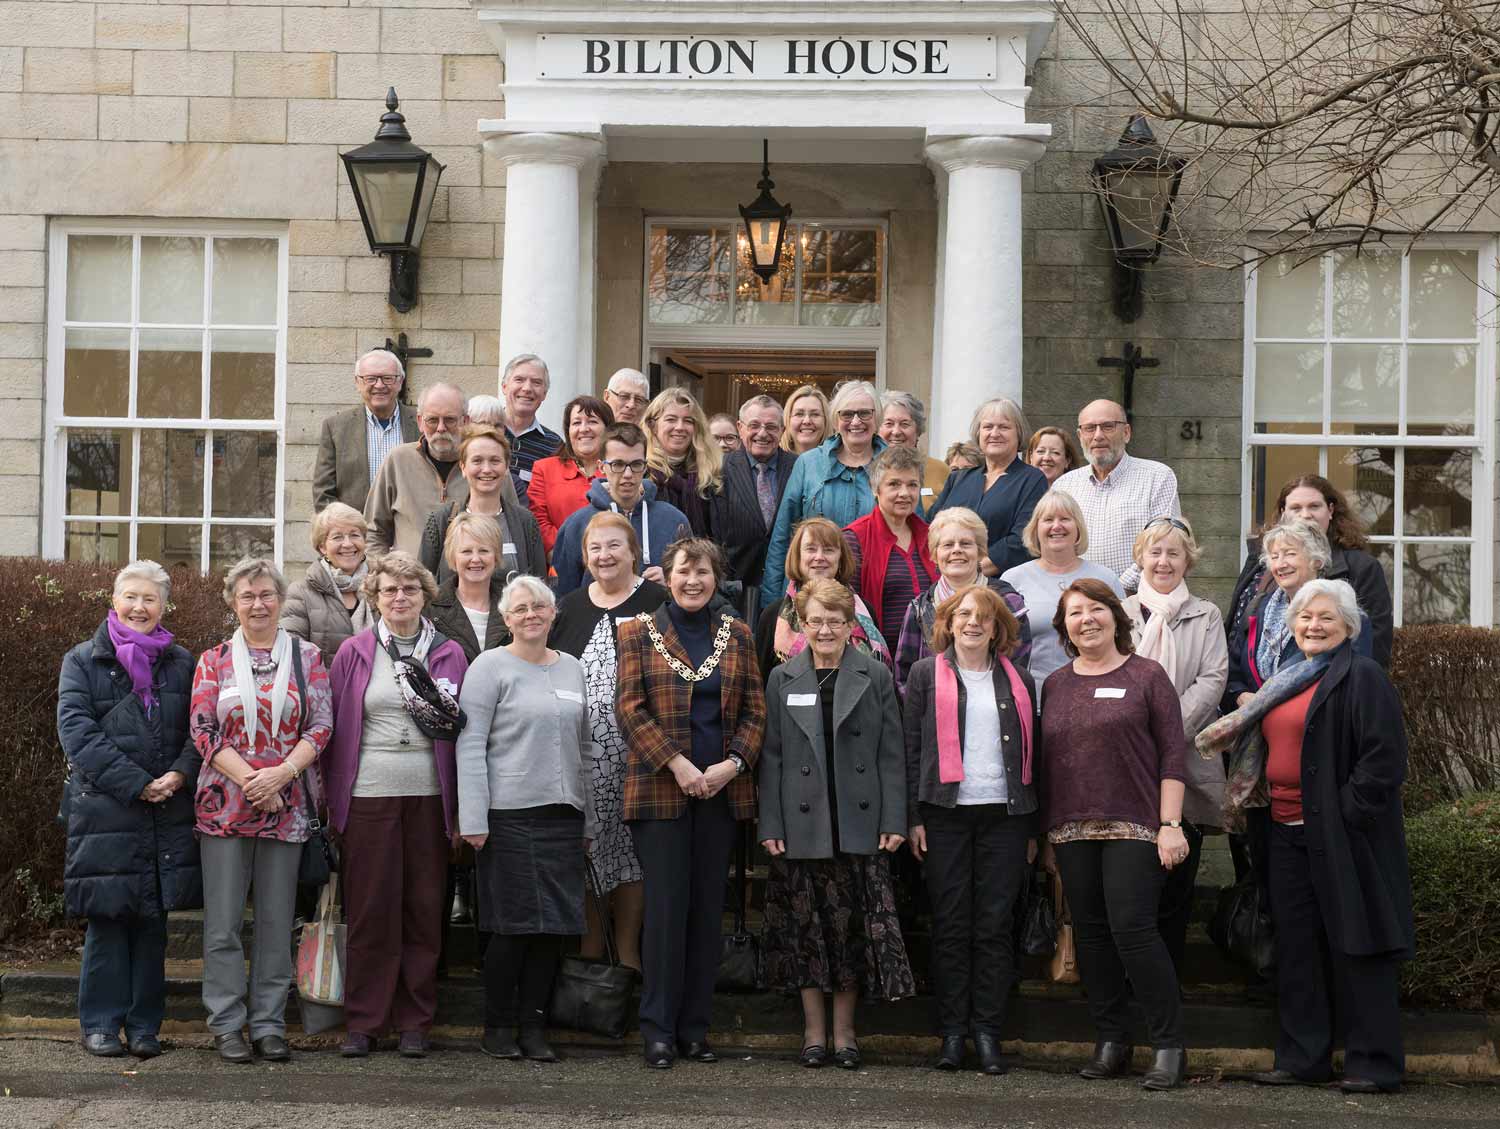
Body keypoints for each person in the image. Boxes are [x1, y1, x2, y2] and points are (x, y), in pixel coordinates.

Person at [1197, 579, 1412, 1095]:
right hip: (1284, 834)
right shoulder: (1286, 677)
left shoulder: (1363, 677)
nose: (1314, 626)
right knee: (1297, 949)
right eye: (1305, 618)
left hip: (1344, 838)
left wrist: (1345, 812)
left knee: (1358, 947)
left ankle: (1374, 1063)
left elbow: (1383, 762)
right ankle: (1302, 1058)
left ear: (1348, 627)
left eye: (1326, 619)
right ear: (1292, 625)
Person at [615, 539, 766, 1069]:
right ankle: (657, 1030)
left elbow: (755, 713)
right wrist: (678, 765)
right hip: (661, 793)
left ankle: (695, 1029)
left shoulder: (739, 636)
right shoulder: (636, 633)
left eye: (703, 572)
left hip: (720, 795)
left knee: (706, 915)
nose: (693, 581)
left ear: (716, 577)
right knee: (664, 915)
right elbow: (630, 710)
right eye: (684, 571)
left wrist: (730, 767)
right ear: (668, 577)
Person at [1038, 579, 1189, 1091]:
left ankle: (1168, 1045)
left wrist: (1170, 826)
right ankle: (1112, 1041)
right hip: (1072, 830)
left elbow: (1173, 755)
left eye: (1096, 609)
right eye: (1075, 613)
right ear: (1065, 628)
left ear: (1116, 617)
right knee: (1093, 937)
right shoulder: (1055, 684)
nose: (1087, 619)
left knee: (1134, 931)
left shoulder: (1148, 676)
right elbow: (1047, 764)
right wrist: (1047, 839)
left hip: (1137, 827)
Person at [759, 578, 912, 1070]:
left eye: (835, 621)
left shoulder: (875, 674)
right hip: (804, 824)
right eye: (816, 621)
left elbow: (893, 755)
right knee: (808, 932)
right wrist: (771, 822)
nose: (825, 629)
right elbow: (773, 758)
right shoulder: (783, 678)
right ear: (802, 625)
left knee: (849, 934)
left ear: (851, 626)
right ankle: (812, 1031)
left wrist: (895, 818)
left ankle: (845, 1033)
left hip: (858, 823)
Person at [324, 552, 468, 1059]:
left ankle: (415, 1022)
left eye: (409, 589)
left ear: (425, 595)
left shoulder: (450, 653)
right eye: (389, 591)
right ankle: (364, 1021)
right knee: (370, 911)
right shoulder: (354, 652)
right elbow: (336, 730)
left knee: (424, 911)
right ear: (374, 597)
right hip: (368, 795)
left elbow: (461, 733)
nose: (399, 598)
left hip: (430, 797)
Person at [190, 558, 332, 1065]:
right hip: (225, 807)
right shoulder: (213, 660)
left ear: (280, 599)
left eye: (267, 594)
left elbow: (320, 727)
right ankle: (227, 1024)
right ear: (233, 601)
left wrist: (281, 776)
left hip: (288, 806)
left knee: (276, 922)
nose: (258, 604)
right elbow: (203, 730)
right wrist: (255, 780)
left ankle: (270, 1023)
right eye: (248, 595)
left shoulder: (308, 656)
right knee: (223, 924)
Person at [59, 560, 200, 1060]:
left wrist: (180, 774)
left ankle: (144, 1026)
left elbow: (199, 729)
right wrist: (138, 784)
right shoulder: (82, 661)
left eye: (150, 599)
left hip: (167, 810)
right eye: (131, 597)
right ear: (114, 601)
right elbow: (78, 734)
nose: (140, 607)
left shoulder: (182, 662)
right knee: (107, 919)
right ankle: (99, 1024)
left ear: (164, 607)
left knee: (152, 924)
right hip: (106, 812)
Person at [458, 575, 597, 1063]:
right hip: (508, 815)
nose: (531, 614)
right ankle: (498, 1026)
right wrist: (473, 817)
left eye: (539, 606)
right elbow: (470, 743)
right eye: (520, 609)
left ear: (554, 612)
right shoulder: (488, 667)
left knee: (553, 928)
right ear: (507, 618)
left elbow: (585, 747)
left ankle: (534, 1026)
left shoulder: (573, 669)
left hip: (563, 815)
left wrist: (590, 820)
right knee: (513, 927)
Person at [902, 586, 1040, 1075]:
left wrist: (1031, 829)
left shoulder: (1020, 680)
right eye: (964, 615)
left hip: (1005, 816)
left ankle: (987, 1033)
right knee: (951, 924)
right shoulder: (924, 675)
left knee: (994, 926)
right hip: (944, 814)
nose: (973, 623)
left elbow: (1035, 757)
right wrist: (913, 817)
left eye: (983, 616)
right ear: (949, 622)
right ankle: (952, 1034)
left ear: (998, 626)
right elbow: (910, 748)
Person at [549, 512, 671, 971]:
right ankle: (591, 950)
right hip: (583, 760)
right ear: (584, 556)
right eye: (595, 548)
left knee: (631, 856)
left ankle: (630, 953)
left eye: (614, 546)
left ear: (633, 551)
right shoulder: (571, 606)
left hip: (642, 757)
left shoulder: (658, 600)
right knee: (590, 848)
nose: (605, 555)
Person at [1121, 517, 1228, 973]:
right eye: (1155, 552)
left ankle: (1169, 985)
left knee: (1175, 885)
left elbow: (1213, 680)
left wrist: (1163, 734)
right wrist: (1131, 737)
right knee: (1128, 887)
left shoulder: (1206, 615)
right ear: (1140, 557)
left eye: (1174, 554)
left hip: (1184, 767)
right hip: (1125, 771)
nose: (1163, 562)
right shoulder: (1118, 612)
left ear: (1188, 561)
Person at [1226, 474, 1393, 669]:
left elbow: (1374, 645)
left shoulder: (1362, 567)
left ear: (1330, 510)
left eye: (1314, 506)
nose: (1305, 515)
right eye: (1296, 508)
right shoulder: (1259, 564)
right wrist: (1237, 693)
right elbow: (1236, 632)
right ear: (1283, 514)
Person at [762, 380, 887, 605]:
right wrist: (772, 604)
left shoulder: (893, 465)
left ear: (876, 418)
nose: (856, 421)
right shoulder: (809, 464)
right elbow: (782, 537)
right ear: (836, 420)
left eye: (865, 413)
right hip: (811, 593)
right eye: (847, 414)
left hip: (876, 590)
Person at [1226, 519, 1373, 709]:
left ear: (1317, 560)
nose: (1280, 564)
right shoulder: (1257, 608)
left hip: (1316, 726)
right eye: (1274, 556)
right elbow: (1233, 668)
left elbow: (1356, 682)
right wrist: (1240, 695)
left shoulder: (1344, 612)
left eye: (1290, 554)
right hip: (1259, 729)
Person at [893, 507, 1031, 697]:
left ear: (980, 551)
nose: (957, 550)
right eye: (948, 545)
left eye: (966, 544)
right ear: (935, 554)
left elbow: (1018, 668)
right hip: (934, 718)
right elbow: (904, 677)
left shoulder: (1008, 603)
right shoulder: (919, 608)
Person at [552, 423, 692, 597]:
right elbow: (563, 597)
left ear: (646, 466)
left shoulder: (674, 520)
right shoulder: (577, 524)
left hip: (659, 621)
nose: (627, 474)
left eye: (636, 464)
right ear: (602, 467)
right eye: (618, 464)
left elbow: (691, 582)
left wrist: (672, 582)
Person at [1053, 399, 1181, 588]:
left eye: (1107, 427)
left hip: (1140, 603)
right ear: (1080, 436)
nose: (1098, 436)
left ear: (1126, 433)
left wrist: (1116, 591)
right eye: (1089, 428)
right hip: (1077, 605)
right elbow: (1055, 549)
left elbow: (1162, 546)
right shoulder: (1064, 486)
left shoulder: (1157, 477)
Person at [1001, 491, 1124, 683]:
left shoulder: (1106, 578)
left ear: (1078, 528)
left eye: (1065, 519)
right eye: (1048, 519)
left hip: (1099, 690)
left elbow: (1124, 639)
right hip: (1035, 696)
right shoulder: (1012, 580)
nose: (1056, 526)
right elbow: (1001, 643)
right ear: (1035, 529)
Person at [755, 516, 893, 679]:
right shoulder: (773, 616)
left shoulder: (864, 611)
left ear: (840, 558)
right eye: (811, 549)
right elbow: (760, 685)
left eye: (828, 549)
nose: (819, 557)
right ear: (798, 557)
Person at [929, 398, 1049, 578]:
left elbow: (1022, 540)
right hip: (946, 582)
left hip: (999, 587)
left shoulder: (1032, 479)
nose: (995, 433)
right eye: (988, 427)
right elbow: (931, 528)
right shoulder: (958, 478)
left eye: (1004, 427)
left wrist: (970, 572)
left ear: (1019, 433)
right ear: (978, 434)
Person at [418, 425, 544, 586]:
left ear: (506, 467)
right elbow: (422, 586)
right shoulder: (440, 522)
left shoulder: (526, 522)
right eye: (477, 461)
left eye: (495, 461)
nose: (486, 469)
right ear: (463, 467)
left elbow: (539, 586)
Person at [842, 445, 936, 654]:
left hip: (927, 657)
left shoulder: (932, 536)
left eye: (912, 485)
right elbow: (850, 608)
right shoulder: (854, 538)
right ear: (876, 489)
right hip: (877, 658)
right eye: (894, 484)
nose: (904, 493)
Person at [365, 382, 471, 557]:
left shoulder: (486, 466)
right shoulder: (398, 461)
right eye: (433, 420)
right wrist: (388, 575)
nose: (441, 428)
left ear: (465, 421)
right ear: (420, 421)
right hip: (408, 582)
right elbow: (374, 533)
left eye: (450, 419)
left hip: (468, 581)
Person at [312, 349, 418, 512]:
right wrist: (346, 530)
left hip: (409, 532)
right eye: (371, 379)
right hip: (357, 533)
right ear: (357, 382)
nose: (379, 385)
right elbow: (324, 495)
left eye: (387, 378)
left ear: (400, 381)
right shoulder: (335, 428)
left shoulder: (422, 423)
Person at [718, 393, 799, 590]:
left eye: (771, 427)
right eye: (754, 425)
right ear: (740, 428)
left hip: (786, 585)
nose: (762, 433)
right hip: (735, 585)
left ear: (783, 430)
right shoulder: (719, 469)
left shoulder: (798, 466)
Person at [281, 502, 374, 668]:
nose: (347, 544)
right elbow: (291, 653)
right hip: (324, 690)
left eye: (355, 535)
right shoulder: (300, 593)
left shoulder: (384, 586)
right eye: (337, 537)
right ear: (322, 547)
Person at [527, 394, 613, 556]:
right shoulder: (544, 469)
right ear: (568, 431)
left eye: (592, 421)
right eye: (576, 423)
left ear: (608, 429)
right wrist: (566, 554)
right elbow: (537, 519)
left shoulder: (618, 470)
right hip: (559, 562)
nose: (583, 429)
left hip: (609, 560)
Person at [643, 387, 725, 537]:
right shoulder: (640, 471)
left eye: (688, 421)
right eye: (671, 419)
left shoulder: (714, 471)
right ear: (653, 426)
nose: (680, 427)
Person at [426, 513, 509, 662]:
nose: (476, 559)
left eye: (484, 551)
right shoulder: (430, 608)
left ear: (495, 556)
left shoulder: (514, 605)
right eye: (466, 551)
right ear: (453, 557)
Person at [878, 390, 952, 513]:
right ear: (877, 429)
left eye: (905, 424)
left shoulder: (940, 470)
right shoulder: (867, 468)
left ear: (918, 430)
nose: (896, 432)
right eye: (889, 424)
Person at [500, 353, 562, 498]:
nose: (527, 388)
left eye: (536, 382)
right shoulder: (483, 431)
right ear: (504, 387)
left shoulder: (555, 445)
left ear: (544, 394)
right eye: (519, 380)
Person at [781, 383, 831, 455]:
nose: (807, 421)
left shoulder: (839, 462)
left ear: (826, 421)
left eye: (815, 414)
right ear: (787, 420)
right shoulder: (774, 462)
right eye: (799, 414)